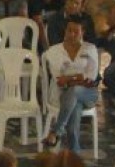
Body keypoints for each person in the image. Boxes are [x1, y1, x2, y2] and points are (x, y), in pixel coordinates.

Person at [42, 18, 99, 153]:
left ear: (82, 32)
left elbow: (91, 78)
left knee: (74, 91)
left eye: (76, 31)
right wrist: (79, 78)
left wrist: (69, 78)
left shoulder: (90, 49)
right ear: (65, 31)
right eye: (69, 30)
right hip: (62, 94)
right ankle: (74, 152)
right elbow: (59, 81)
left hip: (88, 94)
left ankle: (56, 131)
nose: (72, 34)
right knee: (74, 105)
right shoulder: (54, 51)